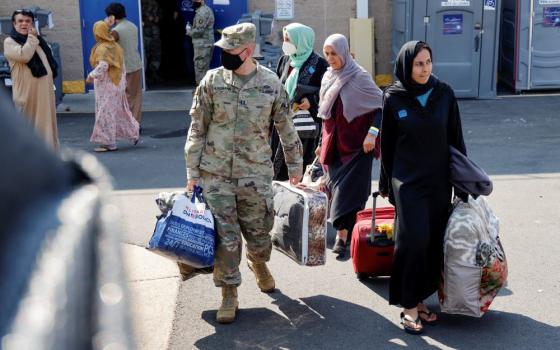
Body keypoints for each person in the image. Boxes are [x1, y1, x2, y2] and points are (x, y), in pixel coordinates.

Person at [184, 23, 303, 324]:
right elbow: (197, 128)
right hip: (216, 173)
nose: (224, 55)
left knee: (259, 234)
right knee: (226, 238)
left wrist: (295, 167)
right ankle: (229, 292)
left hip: (256, 173)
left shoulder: (270, 83)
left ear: (248, 51)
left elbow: (286, 127)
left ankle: (258, 262)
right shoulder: (211, 82)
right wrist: (192, 170)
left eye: (230, 51)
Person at [379, 41, 467, 334]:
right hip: (407, 182)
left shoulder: (444, 93)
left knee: (431, 242)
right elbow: (387, 145)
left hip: (439, 181)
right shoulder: (393, 97)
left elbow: (456, 138)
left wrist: (462, 182)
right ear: (407, 65)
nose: (424, 68)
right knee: (413, 240)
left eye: (428, 62)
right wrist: (385, 183)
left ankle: (419, 300)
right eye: (418, 63)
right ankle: (407, 304)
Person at [316, 34, 383, 257]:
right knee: (339, 191)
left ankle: (342, 236)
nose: (330, 58)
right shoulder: (328, 77)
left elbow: (380, 105)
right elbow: (325, 115)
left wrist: (372, 135)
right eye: (327, 54)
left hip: (358, 146)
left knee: (349, 193)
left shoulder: (359, 76)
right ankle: (349, 233)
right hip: (333, 144)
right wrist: (320, 143)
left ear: (344, 51)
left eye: (334, 53)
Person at [271, 23, 328, 181]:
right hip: (282, 122)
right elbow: (278, 86)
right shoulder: (285, 60)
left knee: (303, 174)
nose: (285, 43)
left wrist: (311, 100)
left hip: (306, 129)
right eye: (285, 39)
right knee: (280, 173)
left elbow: (328, 94)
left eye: (289, 40)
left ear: (301, 40)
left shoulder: (320, 64)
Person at [3, 9, 59, 150]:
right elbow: (24, 55)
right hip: (27, 96)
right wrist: (33, 38)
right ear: (14, 24)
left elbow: (49, 62)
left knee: (47, 127)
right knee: (29, 130)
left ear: (32, 24)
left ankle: (50, 159)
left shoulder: (37, 41)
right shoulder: (10, 42)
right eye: (20, 21)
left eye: (28, 21)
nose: (24, 24)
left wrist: (35, 39)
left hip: (44, 94)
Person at [86, 20, 139, 152]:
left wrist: (91, 75)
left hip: (107, 85)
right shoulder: (114, 45)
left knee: (105, 113)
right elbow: (122, 65)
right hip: (116, 82)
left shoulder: (103, 48)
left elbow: (103, 66)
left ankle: (109, 143)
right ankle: (133, 131)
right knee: (119, 111)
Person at [105, 2, 144, 125]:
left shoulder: (116, 31)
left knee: (124, 97)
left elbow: (106, 45)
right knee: (135, 96)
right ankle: (136, 123)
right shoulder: (133, 26)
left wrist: (107, 26)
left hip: (123, 67)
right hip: (136, 64)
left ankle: (128, 124)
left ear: (112, 16)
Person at [186, 0, 214, 84]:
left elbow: (199, 31)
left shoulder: (202, 12)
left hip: (202, 46)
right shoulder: (205, 10)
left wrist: (189, 31)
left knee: (200, 70)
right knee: (204, 69)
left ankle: (202, 92)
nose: (193, 1)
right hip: (205, 45)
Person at [141, 0, 163, 84]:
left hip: (155, 33)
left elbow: (160, 15)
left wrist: (157, 18)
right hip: (145, 34)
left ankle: (154, 74)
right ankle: (145, 77)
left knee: (156, 54)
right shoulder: (141, 3)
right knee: (145, 55)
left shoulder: (154, 3)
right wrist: (146, 20)